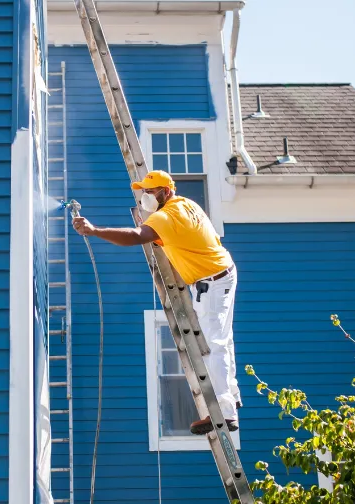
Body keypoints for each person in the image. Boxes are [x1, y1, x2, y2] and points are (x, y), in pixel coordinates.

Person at [72, 170, 241, 435]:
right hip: (223, 271)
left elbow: (135, 236)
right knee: (224, 339)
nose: (145, 197)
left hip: (212, 281)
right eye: (144, 192)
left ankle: (224, 413)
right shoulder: (186, 205)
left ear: (166, 192)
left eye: (150, 192)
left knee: (215, 344)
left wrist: (94, 230)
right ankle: (231, 394)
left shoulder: (167, 215)